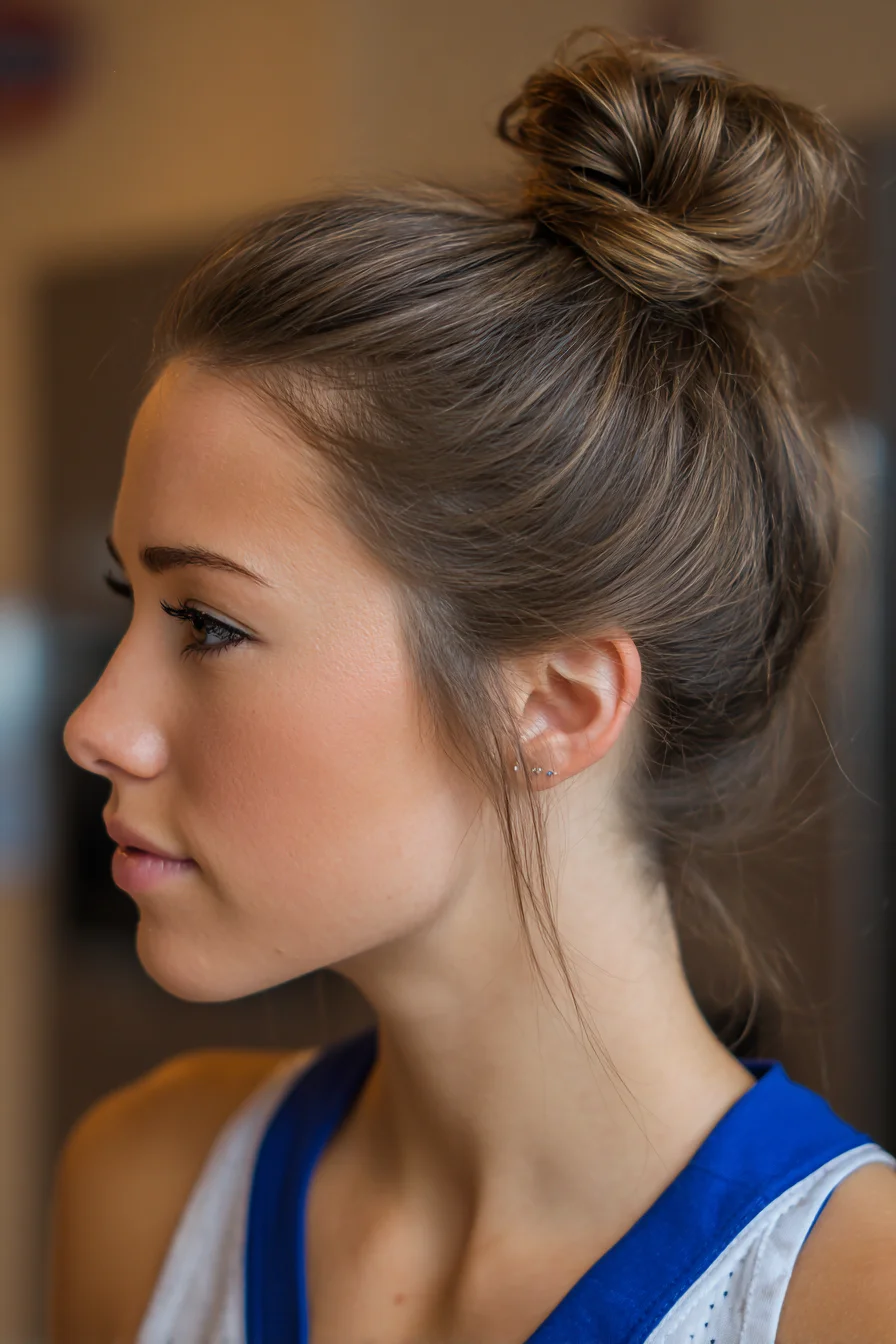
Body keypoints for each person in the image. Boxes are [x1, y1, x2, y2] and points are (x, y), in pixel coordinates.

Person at [50, 27, 896, 1344]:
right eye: (131, 604)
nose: (94, 726)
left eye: (207, 623)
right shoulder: (142, 1194)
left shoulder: (852, 1301)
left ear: (554, 706)